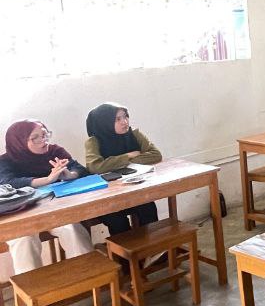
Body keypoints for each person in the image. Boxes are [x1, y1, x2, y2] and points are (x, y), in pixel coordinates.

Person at [0, 120, 93, 271]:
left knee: (71, 228)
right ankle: (31, 285)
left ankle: (89, 275)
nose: (43, 140)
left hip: (53, 211)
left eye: (44, 134)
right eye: (35, 138)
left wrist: (70, 175)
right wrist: (47, 180)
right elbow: (8, 183)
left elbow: (80, 169)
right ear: (19, 142)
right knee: (23, 239)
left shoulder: (54, 151)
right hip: (20, 215)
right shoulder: (6, 161)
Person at [84, 103, 162, 235]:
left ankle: (152, 246)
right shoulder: (94, 141)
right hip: (107, 198)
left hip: (133, 191)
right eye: (117, 119)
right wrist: (127, 156)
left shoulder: (134, 133)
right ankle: (127, 249)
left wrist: (120, 163)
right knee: (116, 220)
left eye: (125, 117)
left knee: (148, 207)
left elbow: (155, 154)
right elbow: (95, 167)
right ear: (104, 123)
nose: (124, 122)